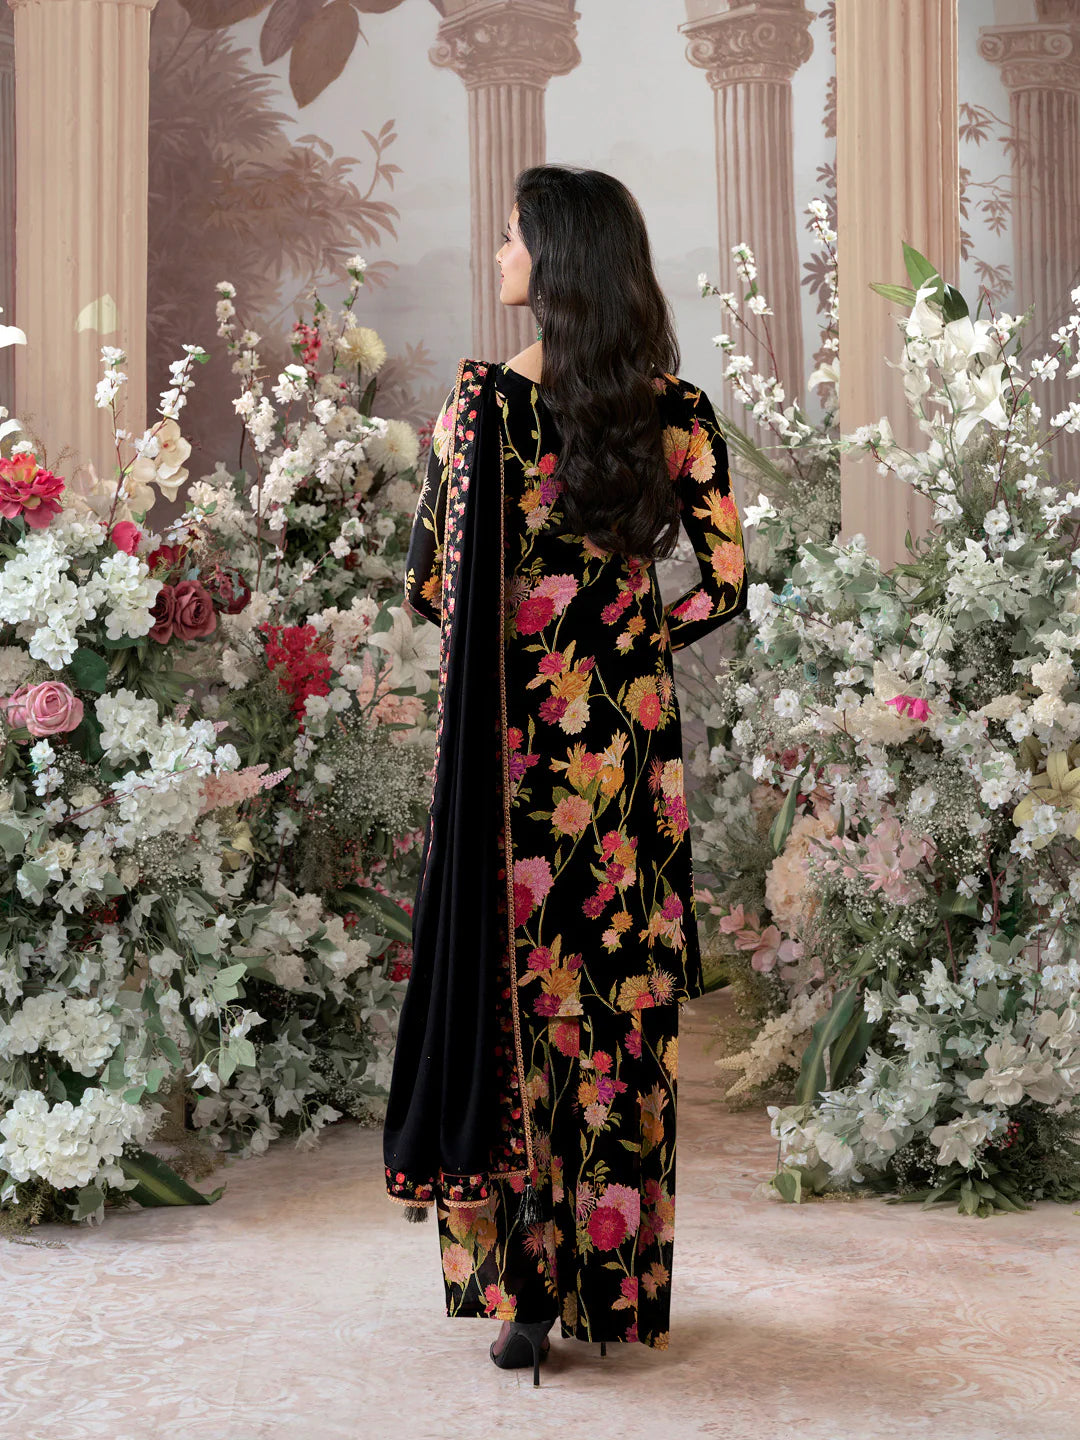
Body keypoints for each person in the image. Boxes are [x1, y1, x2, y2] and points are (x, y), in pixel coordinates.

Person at [382, 164, 747, 1386]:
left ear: (557, 259)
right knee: (615, 1006)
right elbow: (723, 584)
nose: (499, 257)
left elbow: (433, 585)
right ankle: (611, 1286)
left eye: (511, 239)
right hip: (625, 759)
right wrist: (629, 640)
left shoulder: (477, 409)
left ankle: (520, 1294)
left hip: (512, 757)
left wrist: (532, 636)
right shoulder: (676, 411)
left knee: (516, 1001)